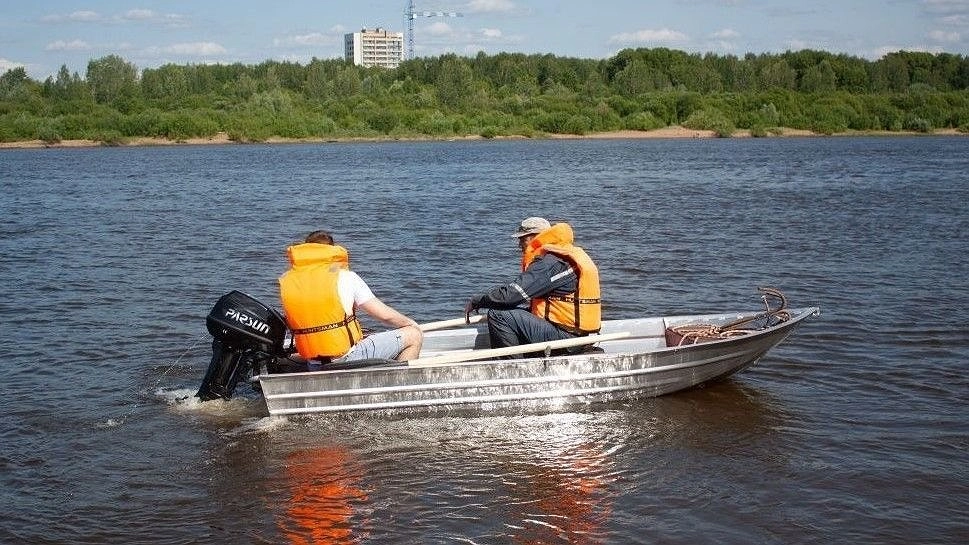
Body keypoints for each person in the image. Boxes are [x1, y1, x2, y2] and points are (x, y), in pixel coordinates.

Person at [278, 230, 422, 365]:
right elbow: (385, 316)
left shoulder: (289, 281)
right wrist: (411, 324)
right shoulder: (345, 277)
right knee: (413, 335)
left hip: (313, 361)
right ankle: (398, 384)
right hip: (345, 358)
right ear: (332, 251)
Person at [464, 217, 601, 355]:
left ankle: (511, 369)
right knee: (515, 310)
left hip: (567, 339)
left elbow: (512, 295)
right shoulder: (563, 256)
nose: (519, 245)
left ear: (536, 237)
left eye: (522, 239)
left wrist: (478, 301)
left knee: (499, 315)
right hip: (578, 336)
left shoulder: (550, 263)